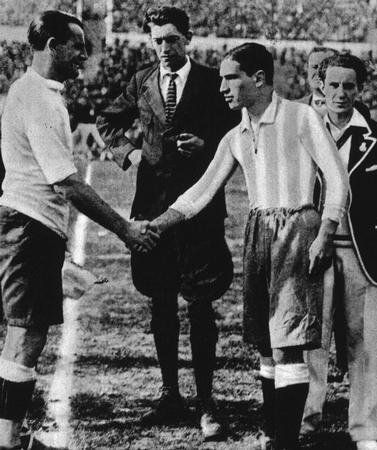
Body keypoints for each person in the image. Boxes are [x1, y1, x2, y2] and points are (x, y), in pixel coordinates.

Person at [148, 43, 349, 450]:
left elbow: (336, 178)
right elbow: (201, 190)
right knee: (264, 341)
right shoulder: (236, 133)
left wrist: (326, 232)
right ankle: (274, 432)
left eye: (230, 77)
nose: (222, 86)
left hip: (298, 226)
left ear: (257, 79)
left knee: (288, 339)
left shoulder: (301, 116)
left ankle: (286, 442)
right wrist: (158, 224)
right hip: (259, 230)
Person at [0, 11, 159, 449]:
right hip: (29, 226)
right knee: (25, 335)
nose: (84, 54)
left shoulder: (34, 91)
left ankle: (10, 434)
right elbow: (67, 182)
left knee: (25, 333)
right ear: (52, 47)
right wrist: (125, 228)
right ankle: (9, 440)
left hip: (32, 225)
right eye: (76, 45)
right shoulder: (39, 98)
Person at [97, 6, 239, 440]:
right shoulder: (141, 79)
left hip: (200, 210)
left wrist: (208, 143)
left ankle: (207, 402)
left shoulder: (213, 80)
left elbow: (239, 126)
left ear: (189, 39)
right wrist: (131, 154)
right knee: (160, 300)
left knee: (200, 304)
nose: (163, 47)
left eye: (172, 39)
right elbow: (107, 119)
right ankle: (169, 395)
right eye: (157, 40)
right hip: (153, 210)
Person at [305, 53, 377, 450]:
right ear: (320, 85)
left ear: (360, 88)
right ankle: (305, 421)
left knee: (364, 344)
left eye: (349, 86)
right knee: (310, 341)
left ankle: (365, 431)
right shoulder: (304, 132)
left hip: (362, 254)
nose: (340, 93)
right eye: (333, 85)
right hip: (312, 251)